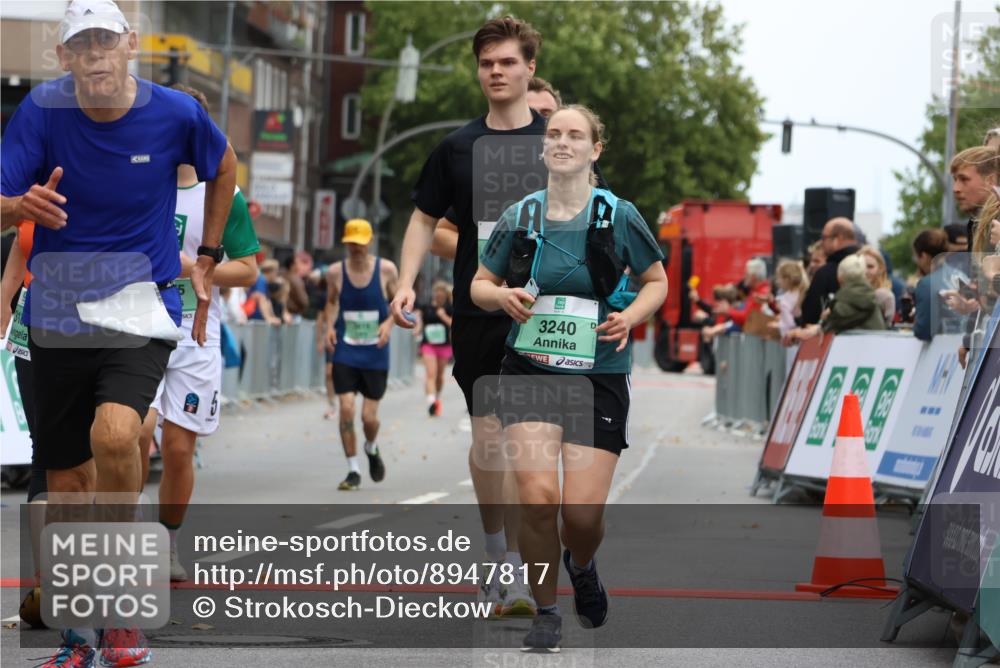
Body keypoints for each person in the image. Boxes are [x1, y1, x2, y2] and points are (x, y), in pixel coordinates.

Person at [0, 2, 238, 665]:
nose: (97, 55)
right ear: (64, 57)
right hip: (57, 314)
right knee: (68, 484)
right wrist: (19, 206)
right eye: (83, 45)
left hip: (140, 304)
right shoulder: (41, 113)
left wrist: (211, 251)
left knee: (115, 433)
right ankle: (82, 635)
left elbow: (225, 165)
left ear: (131, 45)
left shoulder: (176, 114)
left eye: (107, 41)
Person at [471, 104, 668, 652]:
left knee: (581, 516)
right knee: (536, 497)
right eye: (553, 134)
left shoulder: (619, 214)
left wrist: (630, 316)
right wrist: (501, 295)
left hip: (597, 373)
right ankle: (546, 609)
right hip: (529, 368)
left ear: (594, 149)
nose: (562, 142)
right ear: (543, 147)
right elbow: (479, 284)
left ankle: (581, 564)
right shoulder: (520, 215)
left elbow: (657, 281)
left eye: (574, 135)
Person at [389, 16, 547, 618]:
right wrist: (404, 284)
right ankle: (497, 558)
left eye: (508, 62)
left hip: (550, 316)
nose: (497, 72)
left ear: (530, 68)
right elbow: (424, 221)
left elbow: (594, 219)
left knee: (531, 447)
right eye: (487, 64)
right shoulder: (456, 148)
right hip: (479, 312)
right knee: (490, 441)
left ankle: (533, 561)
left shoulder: (556, 143)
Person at [136, 84, 261, 584]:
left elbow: (249, 270)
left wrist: (196, 269)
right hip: (139, 322)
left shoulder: (222, 192)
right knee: (136, 434)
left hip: (194, 330)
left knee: (180, 450)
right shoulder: (141, 179)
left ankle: (168, 543)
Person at [320, 218, 395, 491]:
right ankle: (353, 470)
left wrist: (388, 324)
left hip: (375, 350)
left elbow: (398, 304)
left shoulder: (386, 270)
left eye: (360, 243)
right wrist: (329, 327)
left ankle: (371, 447)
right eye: (351, 243)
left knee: (369, 418)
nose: (355, 248)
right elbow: (330, 302)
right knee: (347, 410)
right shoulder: (335, 272)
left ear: (370, 242)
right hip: (346, 349)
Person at [799, 218, 860, 325]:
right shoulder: (866, 265)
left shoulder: (825, 274)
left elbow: (809, 316)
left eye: (824, 238)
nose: (822, 242)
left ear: (838, 239)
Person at [414, 281, 454, 416]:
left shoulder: (449, 308)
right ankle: (431, 401)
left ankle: (436, 397)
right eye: (436, 292)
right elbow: (421, 323)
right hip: (428, 345)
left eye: (440, 292)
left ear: (445, 294)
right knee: (431, 373)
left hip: (443, 346)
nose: (437, 294)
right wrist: (417, 329)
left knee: (439, 376)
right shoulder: (427, 307)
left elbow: (454, 324)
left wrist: (443, 316)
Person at [821, 254, 886, 334]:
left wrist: (826, 320)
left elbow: (832, 326)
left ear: (839, 279)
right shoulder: (868, 296)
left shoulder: (845, 304)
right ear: (864, 275)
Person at [912, 228, 952, 341]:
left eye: (916, 257)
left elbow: (923, 331)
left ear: (923, 256)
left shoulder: (926, 284)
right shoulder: (960, 275)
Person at [857, 245, 896, 326]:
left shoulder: (884, 296)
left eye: (870, 267)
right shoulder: (849, 291)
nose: (865, 271)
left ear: (880, 269)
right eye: (861, 266)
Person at [773, 259, 809, 339]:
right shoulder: (803, 293)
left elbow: (790, 324)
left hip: (789, 339)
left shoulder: (783, 301)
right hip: (804, 336)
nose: (777, 281)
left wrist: (779, 324)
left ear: (786, 279)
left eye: (778, 278)